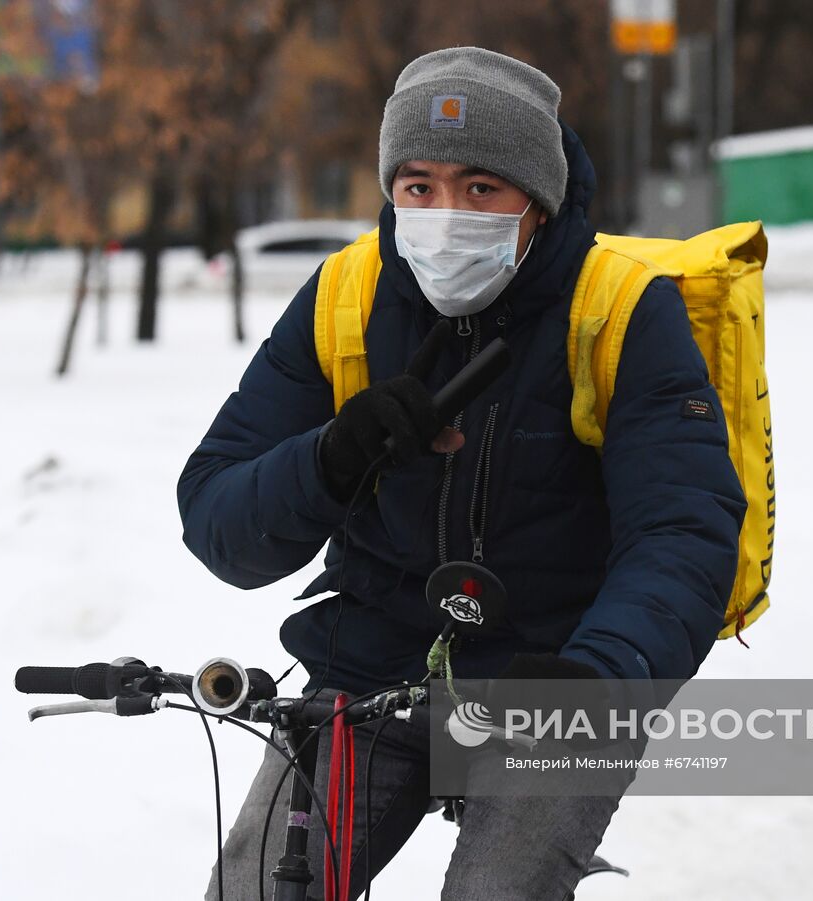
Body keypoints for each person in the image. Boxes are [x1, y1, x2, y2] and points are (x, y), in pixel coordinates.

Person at [178, 46, 746, 901]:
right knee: (255, 890)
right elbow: (217, 516)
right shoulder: (346, 295)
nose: (445, 213)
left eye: (481, 188)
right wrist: (332, 456)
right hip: (371, 667)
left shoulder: (619, 308)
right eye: (419, 185)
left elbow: (684, 531)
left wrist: (600, 674)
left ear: (539, 204)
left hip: (554, 677)